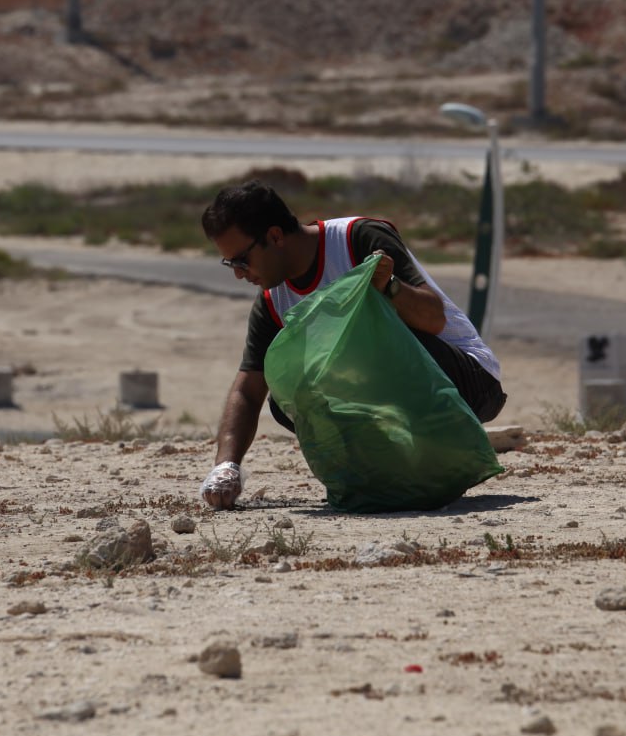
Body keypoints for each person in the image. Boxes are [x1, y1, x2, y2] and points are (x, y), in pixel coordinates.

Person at [198, 180, 507, 509]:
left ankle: (433, 462)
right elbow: (248, 390)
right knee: (289, 395)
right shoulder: (273, 302)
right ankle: (391, 473)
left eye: (241, 261)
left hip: (469, 381)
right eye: (230, 264)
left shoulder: (357, 239)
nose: (239, 274)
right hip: (391, 404)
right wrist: (226, 466)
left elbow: (434, 318)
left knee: (376, 350)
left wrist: (389, 286)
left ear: (274, 236)